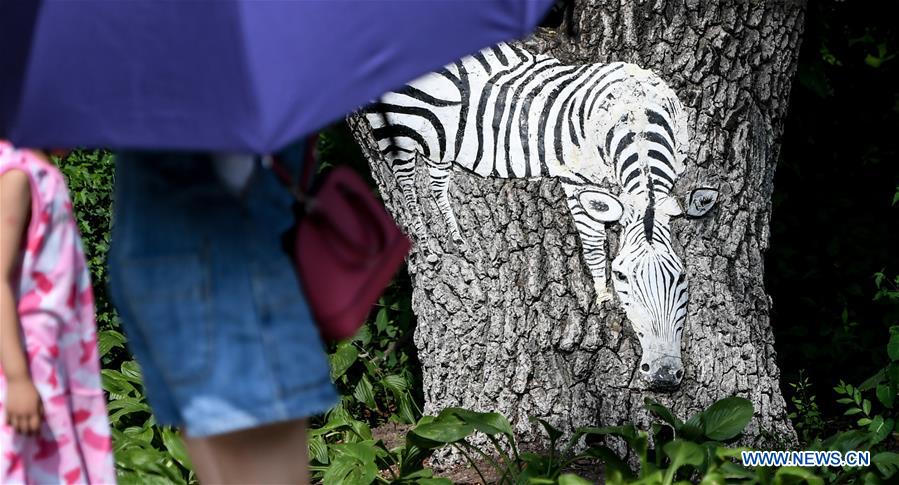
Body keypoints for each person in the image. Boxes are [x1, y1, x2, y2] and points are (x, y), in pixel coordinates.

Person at [106, 140, 337, 484]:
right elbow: (276, 190)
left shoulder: (138, 96)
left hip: (156, 279)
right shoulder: (226, 91)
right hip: (229, 274)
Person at [0, 141, 116, 484]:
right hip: (28, 362)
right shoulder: (19, 174)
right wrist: (19, 378)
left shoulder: (40, 173)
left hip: (54, 361)